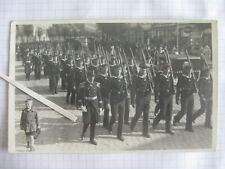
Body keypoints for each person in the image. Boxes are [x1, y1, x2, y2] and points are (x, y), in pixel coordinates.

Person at [78, 67, 102, 145]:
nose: (92, 78)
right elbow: (79, 97)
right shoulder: (83, 85)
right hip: (87, 105)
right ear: (87, 77)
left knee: (93, 122)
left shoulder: (97, 84)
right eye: (90, 77)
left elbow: (99, 96)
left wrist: (100, 106)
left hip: (95, 105)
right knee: (87, 121)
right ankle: (84, 131)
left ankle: (92, 139)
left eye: (93, 77)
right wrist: (81, 105)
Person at [173, 62, 197, 131]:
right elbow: (178, 88)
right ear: (184, 70)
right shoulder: (181, 77)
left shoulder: (192, 76)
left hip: (191, 96)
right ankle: (176, 118)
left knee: (190, 111)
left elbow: (193, 85)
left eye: (190, 69)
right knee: (184, 110)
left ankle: (189, 127)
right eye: (187, 69)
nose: (189, 71)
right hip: (184, 96)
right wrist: (177, 98)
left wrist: (195, 89)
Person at [130, 63, 152, 138]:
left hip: (147, 98)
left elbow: (152, 85)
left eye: (145, 69)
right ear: (140, 69)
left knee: (146, 115)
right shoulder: (137, 78)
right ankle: (132, 124)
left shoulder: (149, 77)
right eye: (143, 69)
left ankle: (145, 132)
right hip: (140, 98)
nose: (144, 71)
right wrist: (132, 100)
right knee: (138, 114)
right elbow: (133, 89)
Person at [152, 63, 175, 134]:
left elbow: (171, 85)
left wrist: (173, 92)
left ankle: (168, 129)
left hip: (169, 96)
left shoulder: (170, 76)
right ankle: (155, 122)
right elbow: (156, 88)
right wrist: (157, 97)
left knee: (169, 113)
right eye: (167, 69)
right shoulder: (160, 77)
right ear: (163, 69)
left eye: (169, 69)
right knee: (162, 113)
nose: (168, 71)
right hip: (163, 96)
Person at [108, 64, 127, 141]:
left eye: (119, 70)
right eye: (117, 70)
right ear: (114, 71)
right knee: (114, 116)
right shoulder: (111, 79)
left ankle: (119, 134)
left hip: (122, 100)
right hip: (114, 99)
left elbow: (126, 88)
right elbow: (108, 89)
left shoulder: (124, 78)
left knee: (121, 118)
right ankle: (110, 125)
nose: (118, 71)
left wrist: (126, 93)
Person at [95, 64, 110, 129]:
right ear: (102, 69)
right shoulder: (98, 77)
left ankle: (106, 123)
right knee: (98, 108)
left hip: (106, 96)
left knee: (107, 109)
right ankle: (96, 119)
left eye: (106, 68)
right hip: (99, 95)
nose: (105, 69)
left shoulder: (109, 76)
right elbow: (96, 86)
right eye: (104, 68)